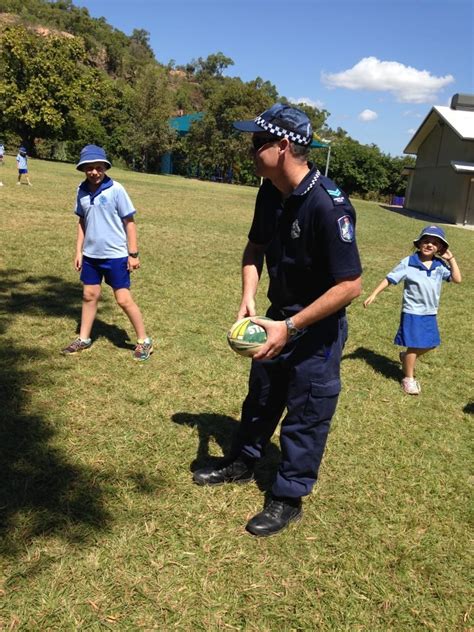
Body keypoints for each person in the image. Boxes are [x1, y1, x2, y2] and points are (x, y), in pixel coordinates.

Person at [193, 103, 362, 536]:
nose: (250, 152)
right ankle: (243, 462)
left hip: (316, 331)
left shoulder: (329, 206)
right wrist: (249, 298)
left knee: (307, 412)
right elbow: (254, 248)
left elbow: (350, 286)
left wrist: (291, 327)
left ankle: (287, 497)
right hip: (273, 321)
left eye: (256, 143)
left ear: (283, 146)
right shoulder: (270, 190)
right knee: (262, 397)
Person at [61, 144, 153, 361]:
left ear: (105, 167)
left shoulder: (116, 190)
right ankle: (83, 338)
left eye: (99, 167)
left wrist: (133, 254)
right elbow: (82, 222)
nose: (94, 172)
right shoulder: (81, 191)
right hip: (91, 256)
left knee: (123, 299)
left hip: (116, 255)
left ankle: (144, 341)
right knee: (89, 295)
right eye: (90, 168)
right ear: (83, 168)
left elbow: (129, 222)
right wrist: (79, 252)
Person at [363, 225, 461, 394]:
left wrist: (450, 258)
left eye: (435, 243)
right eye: (426, 241)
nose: (430, 245)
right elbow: (390, 278)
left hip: (430, 312)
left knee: (431, 344)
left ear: (440, 248)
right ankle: (408, 379)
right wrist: (374, 294)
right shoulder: (408, 262)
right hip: (412, 311)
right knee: (415, 345)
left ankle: (406, 357)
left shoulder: (439, 265)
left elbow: (457, 279)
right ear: (419, 244)